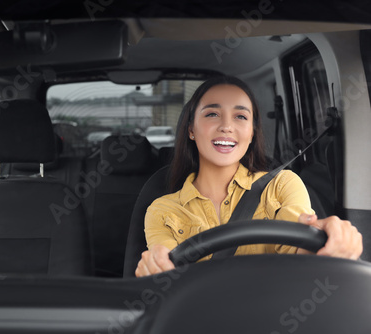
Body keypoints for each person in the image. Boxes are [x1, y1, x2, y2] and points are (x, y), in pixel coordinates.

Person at [135, 76, 362, 277]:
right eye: (212, 113)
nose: (226, 126)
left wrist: (329, 239)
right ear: (191, 129)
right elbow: (165, 271)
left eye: (240, 117)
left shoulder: (282, 184)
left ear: (252, 132)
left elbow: (298, 247)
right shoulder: (162, 210)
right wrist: (155, 264)